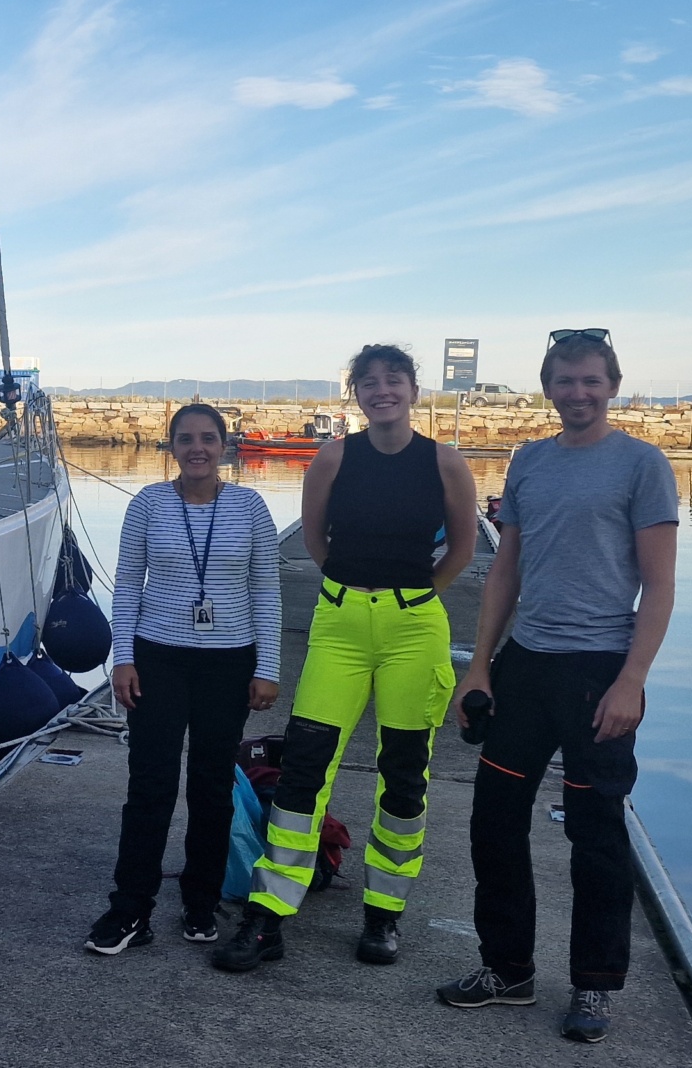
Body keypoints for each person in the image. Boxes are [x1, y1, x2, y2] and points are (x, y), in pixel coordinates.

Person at [435, 329, 678, 1045]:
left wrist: (633, 680)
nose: (579, 393)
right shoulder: (530, 461)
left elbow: (660, 586)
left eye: (591, 381)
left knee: (595, 835)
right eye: (566, 381)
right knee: (494, 821)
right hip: (527, 666)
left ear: (612, 386)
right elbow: (505, 568)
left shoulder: (642, 465)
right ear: (548, 387)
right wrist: (479, 666)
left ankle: (594, 983)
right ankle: (507, 969)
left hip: (600, 671)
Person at [215, 345, 479, 972]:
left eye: (394, 380)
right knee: (306, 766)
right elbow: (314, 539)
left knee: (405, 774)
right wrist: (354, 591)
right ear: (355, 393)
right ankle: (269, 914)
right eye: (369, 382)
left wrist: (410, 598)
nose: (382, 390)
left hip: (414, 629)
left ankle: (384, 914)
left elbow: (463, 551)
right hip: (339, 626)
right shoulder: (333, 457)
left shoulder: (445, 463)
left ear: (414, 390)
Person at [85, 404, 282, 955]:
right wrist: (123, 659)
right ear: (171, 446)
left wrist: (267, 667)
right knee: (150, 785)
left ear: (224, 445)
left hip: (229, 663)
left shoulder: (249, 507)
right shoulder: (149, 503)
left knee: (212, 787)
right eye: (186, 439)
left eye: (208, 438)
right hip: (159, 660)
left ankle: (200, 900)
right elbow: (128, 585)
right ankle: (131, 908)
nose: (198, 448)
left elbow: (266, 588)